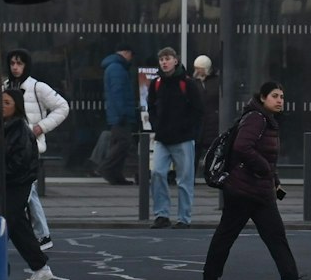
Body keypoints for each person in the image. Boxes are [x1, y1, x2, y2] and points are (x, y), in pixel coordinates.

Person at [196, 82, 311, 280]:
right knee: (227, 235)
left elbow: (267, 157)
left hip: (259, 190)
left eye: (282, 96)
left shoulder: (267, 120)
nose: (280, 100)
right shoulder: (256, 118)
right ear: (263, 98)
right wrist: (263, 169)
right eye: (274, 96)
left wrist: (274, 179)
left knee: (274, 235)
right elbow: (242, 147)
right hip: (243, 190)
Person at [5, 48, 69, 250]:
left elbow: (62, 107)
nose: (15, 67)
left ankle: (41, 235)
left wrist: (40, 127)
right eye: (13, 63)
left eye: (20, 63)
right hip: (13, 147)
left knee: (27, 193)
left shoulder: (37, 87)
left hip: (31, 147)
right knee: (26, 193)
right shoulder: (4, 87)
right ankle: (39, 236)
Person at [0, 88, 56, 280]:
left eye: (7, 103)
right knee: (17, 227)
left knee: (5, 224)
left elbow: (19, 164)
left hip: (17, 184)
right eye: (1, 102)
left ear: (16, 107)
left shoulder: (21, 131)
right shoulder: (3, 127)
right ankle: (41, 267)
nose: (2, 106)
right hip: (8, 183)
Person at [146, 47, 204, 228]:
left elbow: (198, 110)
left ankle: (183, 218)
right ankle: (161, 214)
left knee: (184, 180)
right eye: (162, 59)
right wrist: (156, 126)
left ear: (175, 60)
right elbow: (152, 107)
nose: (164, 62)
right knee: (157, 173)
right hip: (163, 138)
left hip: (184, 138)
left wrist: (191, 131)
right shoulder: (156, 83)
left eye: (168, 58)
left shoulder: (188, 83)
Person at [93, 46, 139, 184]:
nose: (131, 59)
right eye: (131, 55)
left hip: (117, 114)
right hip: (120, 115)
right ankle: (106, 168)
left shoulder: (114, 67)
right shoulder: (117, 69)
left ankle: (115, 176)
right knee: (123, 143)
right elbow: (118, 93)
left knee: (118, 143)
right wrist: (122, 113)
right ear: (126, 52)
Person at [192, 54, 222, 155]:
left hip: (212, 125)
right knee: (194, 157)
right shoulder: (193, 83)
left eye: (200, 69)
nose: (197, 71)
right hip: (198, 125)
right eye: (196, 69)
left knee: (211, 155)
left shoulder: (217, 82)